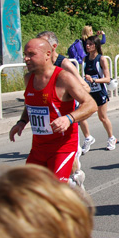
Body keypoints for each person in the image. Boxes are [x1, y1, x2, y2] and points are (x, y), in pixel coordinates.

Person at [9, 38, 97, 182]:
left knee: (53, 189)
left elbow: (90, 104)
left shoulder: (63, 78)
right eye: (25, 54)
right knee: (28, 187)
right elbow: (31, 103)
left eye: (31, 54)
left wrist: (69, 118)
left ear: (47, 54)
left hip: (63, 147)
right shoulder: (28, 78)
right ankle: (72, 186)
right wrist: (22, 121)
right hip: (38, 147)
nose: (26, 58)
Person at [0, 165, 95, 238]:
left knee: (55, 181)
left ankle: (73, 183)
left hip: (61, 149)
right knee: (32, 181)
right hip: (40, 149)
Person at [36, 31, 90, 189]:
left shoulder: (64, 64)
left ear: (53, 47)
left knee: (69, 162)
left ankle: (76, 182)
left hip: (65, 121)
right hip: (48, 123)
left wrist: (67, 92)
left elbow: (84, 87)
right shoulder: (39, 67)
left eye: (43, 45)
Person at [81, 35, 117, 151]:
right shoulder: (85, 59)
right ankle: (88, 138)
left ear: (96, 45)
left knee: (102, 117)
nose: (87, 46)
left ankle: (111, 138)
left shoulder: (101, 59)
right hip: (89, 93)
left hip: (100, 92)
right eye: (86, 44)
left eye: (90, 44)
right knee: (81, 117)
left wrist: (94, 80)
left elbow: (107, 79)